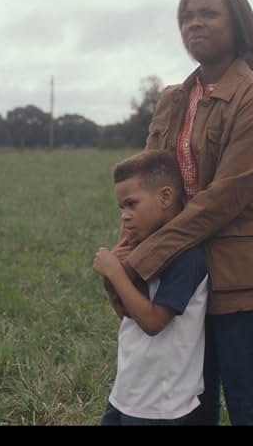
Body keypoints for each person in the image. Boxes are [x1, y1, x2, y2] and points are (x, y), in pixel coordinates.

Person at [116, 0, 253, 425]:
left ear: (237, 25)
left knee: (250, 409)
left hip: (246, 279)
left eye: (207, 14)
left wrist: (145, 259)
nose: (194, 23)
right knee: (189, 409)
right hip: (184, 277)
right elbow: (149, 186)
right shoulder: (173, 100)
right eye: (186, 16)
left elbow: (224, 199)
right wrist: (127, 247)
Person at [94, 150, 209, 425]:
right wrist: (118, 274)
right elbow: (127, 314)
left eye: (132, 204)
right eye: (122, 208)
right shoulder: (145, 249)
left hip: (161, 403)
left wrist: (115, 272)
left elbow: (154, 322)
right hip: (128, 390)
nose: (125, 216)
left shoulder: (188, 257)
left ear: (166, 197)